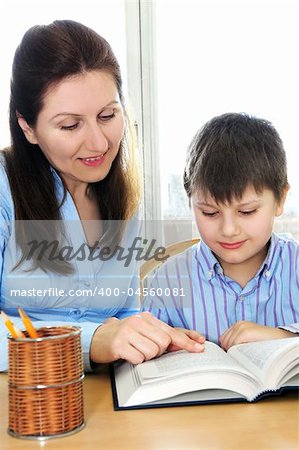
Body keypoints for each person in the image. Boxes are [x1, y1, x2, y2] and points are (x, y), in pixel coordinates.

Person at [0, 20, 204, 372]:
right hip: (24, 400)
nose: (99, 143)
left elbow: (121, 310)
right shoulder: (6, 188)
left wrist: (147, 334)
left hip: (105, 396)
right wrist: (90, 341)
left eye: (108, 115)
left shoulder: (124, 196)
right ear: (27, 127)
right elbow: (99, 334)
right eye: (70, 125)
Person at [142, 112, 299, 349]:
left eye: (246, 212)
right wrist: (160, 345)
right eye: (209, 213)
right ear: (190, 203)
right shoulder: (167, 281)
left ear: (280, 200)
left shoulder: (295, 265)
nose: (228, 230)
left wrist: (283, 337)